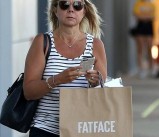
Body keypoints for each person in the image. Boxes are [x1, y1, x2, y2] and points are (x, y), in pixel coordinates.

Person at [23, 0, 107, 136]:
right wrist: (57, 80)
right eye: (64, 4)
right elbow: (29, 92)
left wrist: (96, 81)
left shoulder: (96, 45)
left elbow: (102, 91)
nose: (71, 9)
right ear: (56, 10)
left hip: (82, 128)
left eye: (77, 5)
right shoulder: (42, 42)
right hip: (45, 129)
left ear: (84, 11)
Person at [130, 0, 155, 78]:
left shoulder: (152, 4)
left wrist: (143, 16)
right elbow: (136, 15)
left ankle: (151, 69)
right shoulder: (138, 3)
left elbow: (153, 17)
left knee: (149, 49)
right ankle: (141, 69)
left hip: (149, 28)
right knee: (140, 49)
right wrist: (146, 17)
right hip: (140, 27)